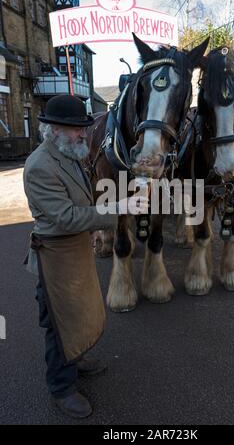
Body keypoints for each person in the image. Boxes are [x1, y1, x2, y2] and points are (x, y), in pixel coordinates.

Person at [23, 94, 147, 419]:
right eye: (76, 128)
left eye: (83, 127)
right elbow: (65, 216)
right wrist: (118, 209)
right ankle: (61, 387)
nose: (83, 134)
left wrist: (97, 221)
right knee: (58, 323)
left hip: (75, 249)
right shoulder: (39, 166)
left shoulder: (70, 152)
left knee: (79, 312)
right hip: (55, 256)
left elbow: (84, 195)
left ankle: (76, 357)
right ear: (53, 129)